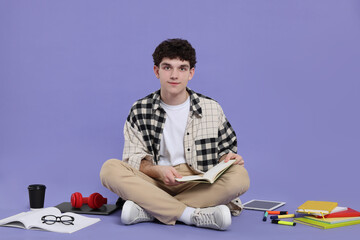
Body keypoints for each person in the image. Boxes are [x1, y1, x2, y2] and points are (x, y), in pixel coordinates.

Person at [100, 38, 250, 230]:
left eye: (182, 68)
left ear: (191, 73)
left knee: (240, 176)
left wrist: (229, 158)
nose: (174, 75)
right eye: (167, 67)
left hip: (198, 182)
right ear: (157, 71)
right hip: (155, 181)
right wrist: (158, 171)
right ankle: (190, 215)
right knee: (110, 169)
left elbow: (225, 151)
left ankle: (150, 209)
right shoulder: (139, 110)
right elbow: (133, 159)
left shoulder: (212, 108)